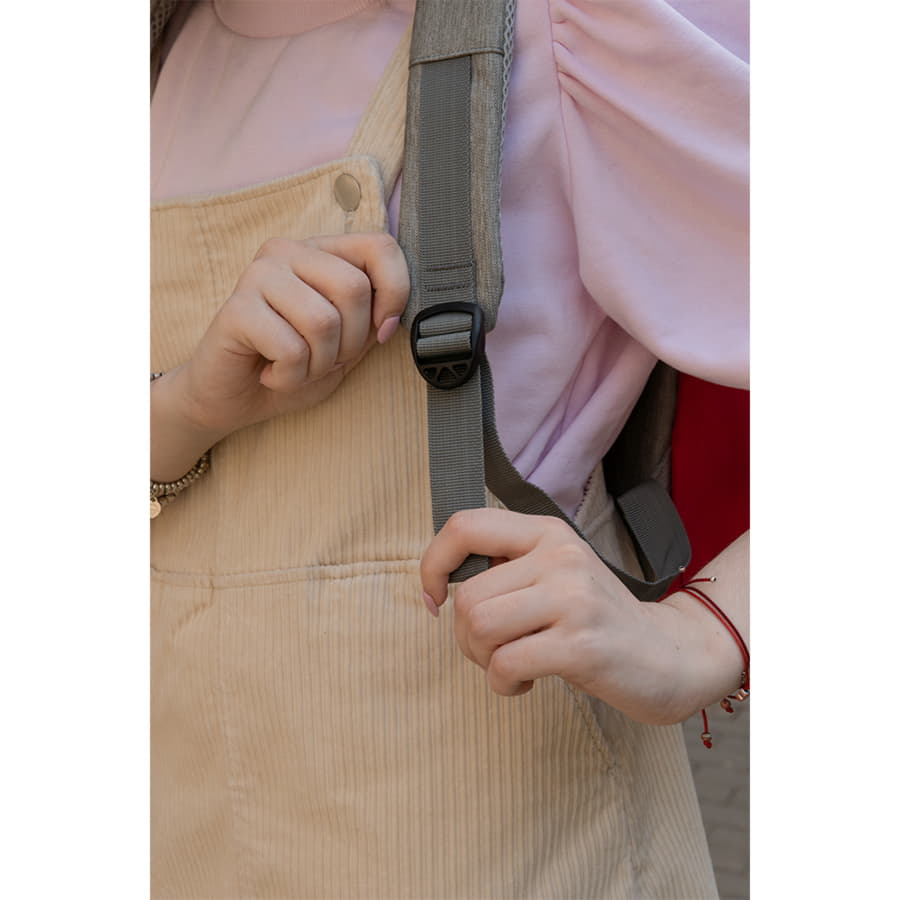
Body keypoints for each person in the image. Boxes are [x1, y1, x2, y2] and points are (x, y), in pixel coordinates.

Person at [150, 1, 749, 897]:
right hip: (175, 821)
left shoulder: (567, 27)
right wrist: (186, 409)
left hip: (500, 842)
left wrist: (697, 638)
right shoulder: (155, 46)